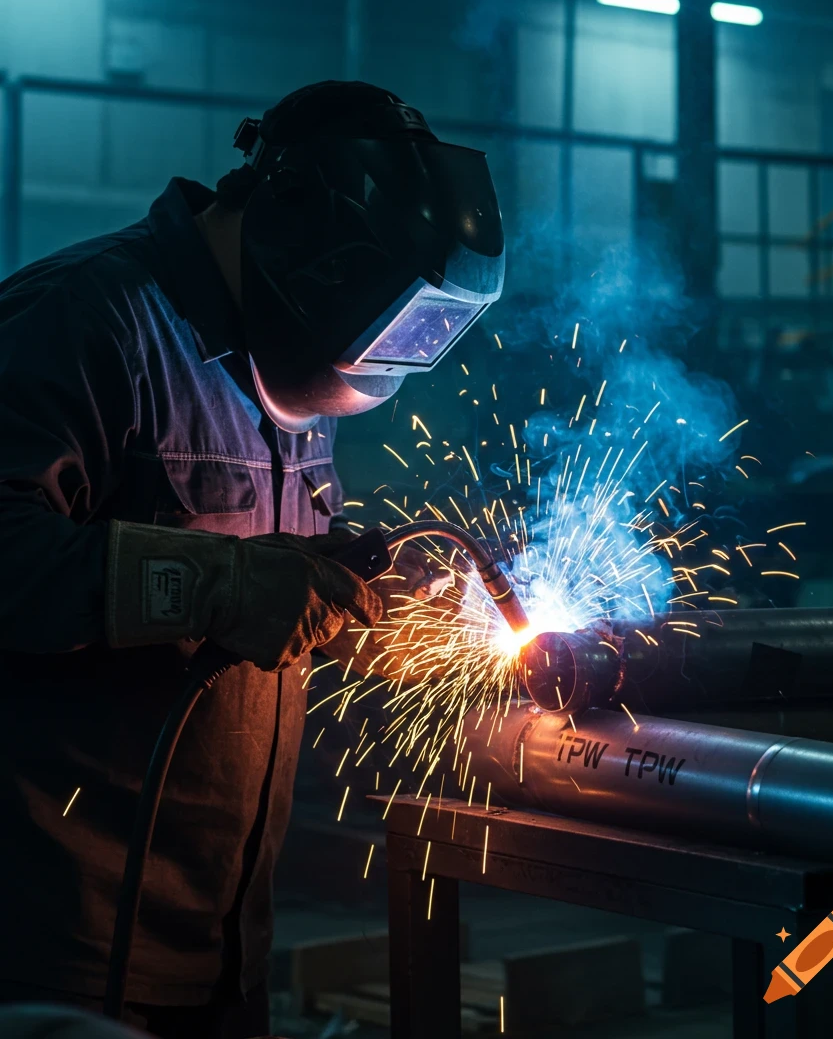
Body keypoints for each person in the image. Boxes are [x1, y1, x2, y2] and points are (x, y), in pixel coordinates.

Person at [0, 81, 505, 1037]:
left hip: (222, 944)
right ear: (300, 245)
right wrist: (221, 584)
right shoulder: (86, 320)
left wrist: (368, 605)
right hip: (53, 948)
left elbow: (274, 581)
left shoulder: (272, 368)